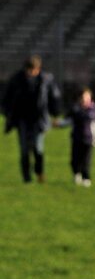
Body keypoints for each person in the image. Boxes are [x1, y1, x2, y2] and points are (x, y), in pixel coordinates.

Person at [2, 54, 61, 183]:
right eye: (29, 70)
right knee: (24, 150)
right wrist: (8, 114)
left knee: (37, 148)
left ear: (38, 69)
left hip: (39, 120)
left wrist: (55, 115)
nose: (31, 73)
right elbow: (7, 98)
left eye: (34, 70)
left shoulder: (46, 80)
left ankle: (39, 172)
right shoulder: (17, 80)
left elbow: (53, 98)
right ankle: (26, 178)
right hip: (22, 119)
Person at [63, 86, 95, 187]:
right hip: (76, 138)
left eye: (87, 96)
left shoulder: (94, 110)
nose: (85, 99)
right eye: (83, 97)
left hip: (89, 139)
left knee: (86, 160)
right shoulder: (75, 110)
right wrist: (58, 124)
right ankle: (76, 174)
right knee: (74, 159)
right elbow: (67, 121)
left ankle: (86, 178)